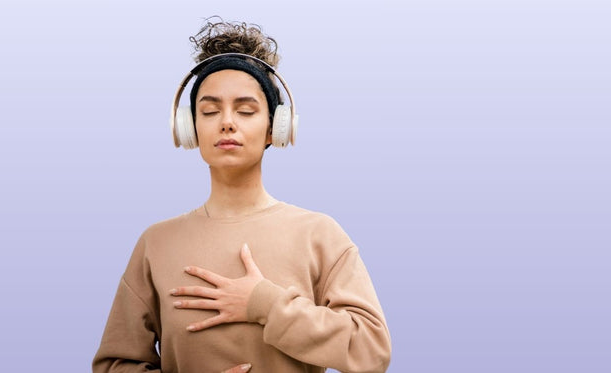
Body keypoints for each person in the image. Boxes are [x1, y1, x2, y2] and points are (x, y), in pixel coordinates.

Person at [92, 18, 391, 373]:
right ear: (189, 129)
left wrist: (264, 303)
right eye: (209, 111)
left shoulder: (320, 234)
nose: (227, 122)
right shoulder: (155, 244)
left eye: (246, 110)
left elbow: (372, 352)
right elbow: (114, 364)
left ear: (275, 128)